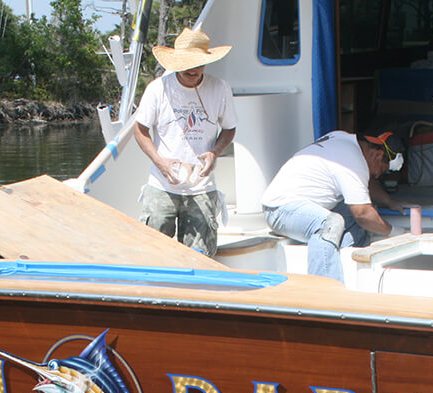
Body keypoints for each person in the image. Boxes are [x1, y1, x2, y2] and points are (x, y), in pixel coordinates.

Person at [134, 28, 238, 257]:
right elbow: (140, 130)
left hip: (202, 187)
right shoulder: (157, 88)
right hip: (162, 186)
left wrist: (214, 153)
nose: (193, 69)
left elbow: (230, 129)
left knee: (200, 257)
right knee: (152, 255)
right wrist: (160, 162)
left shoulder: (220, 88)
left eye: (198, 63)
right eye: (187, 63)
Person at [261, 130, 407, 282]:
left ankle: (345, 268)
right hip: (279, 210)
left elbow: (365, 187)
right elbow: (362, 214)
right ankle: (324, 288)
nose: (378, 176)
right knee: (332, 223)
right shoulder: (353, 162)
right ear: (377, 155)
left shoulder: (344, 141)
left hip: (299, 207)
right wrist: (394, 232)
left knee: (369, 214)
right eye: (382, 171)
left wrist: (390, 202)